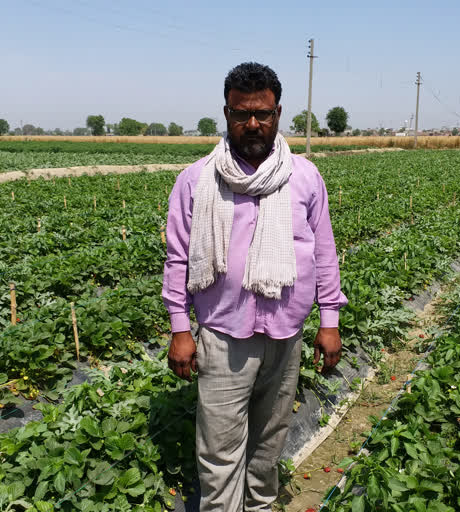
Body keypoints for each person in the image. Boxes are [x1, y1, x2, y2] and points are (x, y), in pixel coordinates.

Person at [162, 61, 347, 511]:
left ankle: (260, 506)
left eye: (261, 113)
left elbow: (324, 252)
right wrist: (180, 328)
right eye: (241, 113)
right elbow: (178, 259)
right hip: (224, 334)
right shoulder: (196, 180)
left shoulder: (304, 176)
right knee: (219, 450)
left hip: (285, 333)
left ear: (278, 112)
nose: (252, 124)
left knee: (268, 444)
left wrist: (330, 321)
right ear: (225, 113)